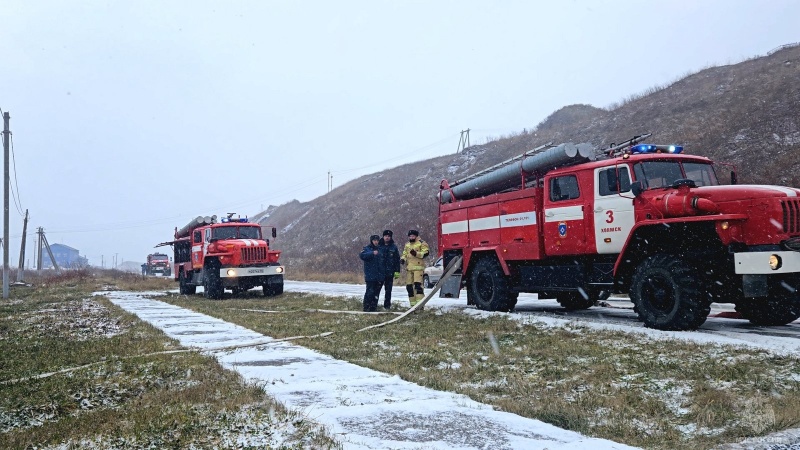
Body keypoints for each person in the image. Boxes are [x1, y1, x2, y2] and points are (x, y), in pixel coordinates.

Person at [400, 229, 429, 308]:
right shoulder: (407, 245)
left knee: (418, 286)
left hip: (418, 268)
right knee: (409, 287)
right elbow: (405, 254)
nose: (411, 237)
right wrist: (403, 259)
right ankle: (412, 306)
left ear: (416, 236)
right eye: (410, 236)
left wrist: (416, 254)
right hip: (409, 268)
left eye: (413, 236)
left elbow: (426, 253)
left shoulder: (422, 243)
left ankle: (420, 306)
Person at [359, 234, 384, 312]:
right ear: (371, 241)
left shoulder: (381, 249)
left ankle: (373, 308)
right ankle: (366, 308)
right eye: (374, 240)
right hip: (370, 276)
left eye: (377, 240)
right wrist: (372, 253)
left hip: (379, 276)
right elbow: (362, 256)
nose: (376, 242)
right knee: (369, 292)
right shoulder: (366, 249)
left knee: (376, 293)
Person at [378, 229, 401, 310]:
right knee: (377, 290)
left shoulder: (394, 247)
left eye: (388, 236)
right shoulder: (379, 246)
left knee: (388, 291)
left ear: (390, 237)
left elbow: (397, 260)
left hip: (389, 272)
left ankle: (387, 306)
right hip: (380, 272)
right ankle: (374, 305)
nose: (387, 238)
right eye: (385, 236)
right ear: (383, 237)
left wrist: (397, 271)